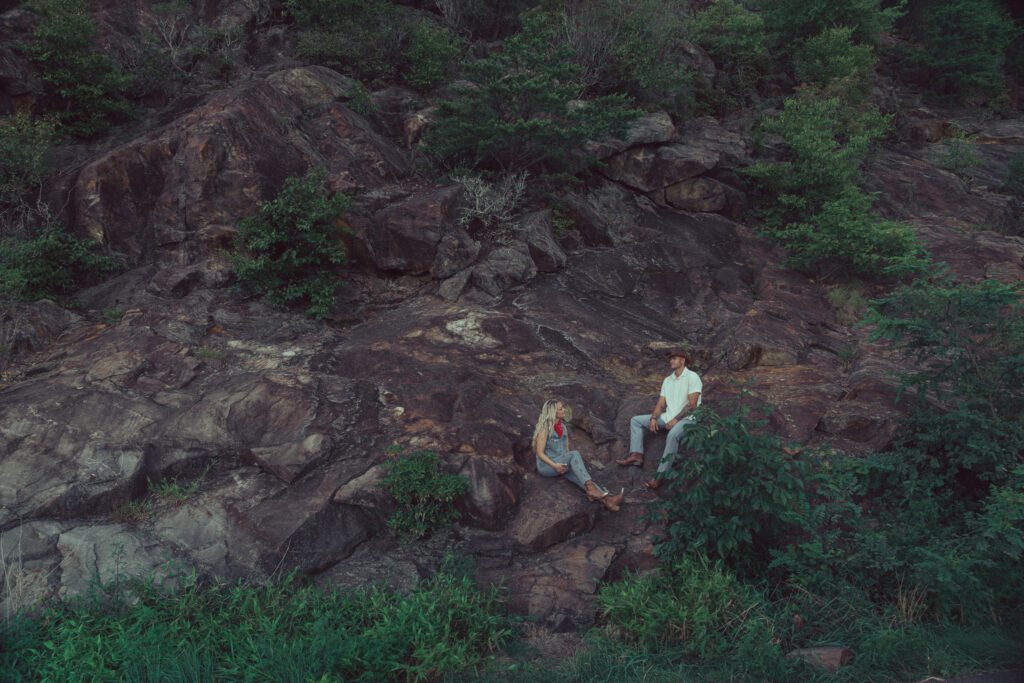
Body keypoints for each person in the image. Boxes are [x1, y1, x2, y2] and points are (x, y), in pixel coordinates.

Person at [617, 348, 702, 489]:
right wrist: (654, 418)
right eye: (670, 358)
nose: (671, 361)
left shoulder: (693, 377)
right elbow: (661, 402)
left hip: (688, 418)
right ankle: (637, 455)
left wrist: (675, 420)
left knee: (673, 435)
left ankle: (660, 476)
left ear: (683, 360)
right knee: (636, 421)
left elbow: (692, 405)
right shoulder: (668, 380)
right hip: (668, 417)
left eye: (674, 358)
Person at [534, 399, 625, 511]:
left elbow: (566, 450)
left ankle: (608, 501)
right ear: (553, 412)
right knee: (575, 454)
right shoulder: (544, 429)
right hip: (547, 466)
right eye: (561, 408)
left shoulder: (562, 427)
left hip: (561, 464)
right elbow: (539, 453)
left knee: (583, 478)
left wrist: (566, 466)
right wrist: (555, 466)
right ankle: (592, 490)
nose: (564, 410)